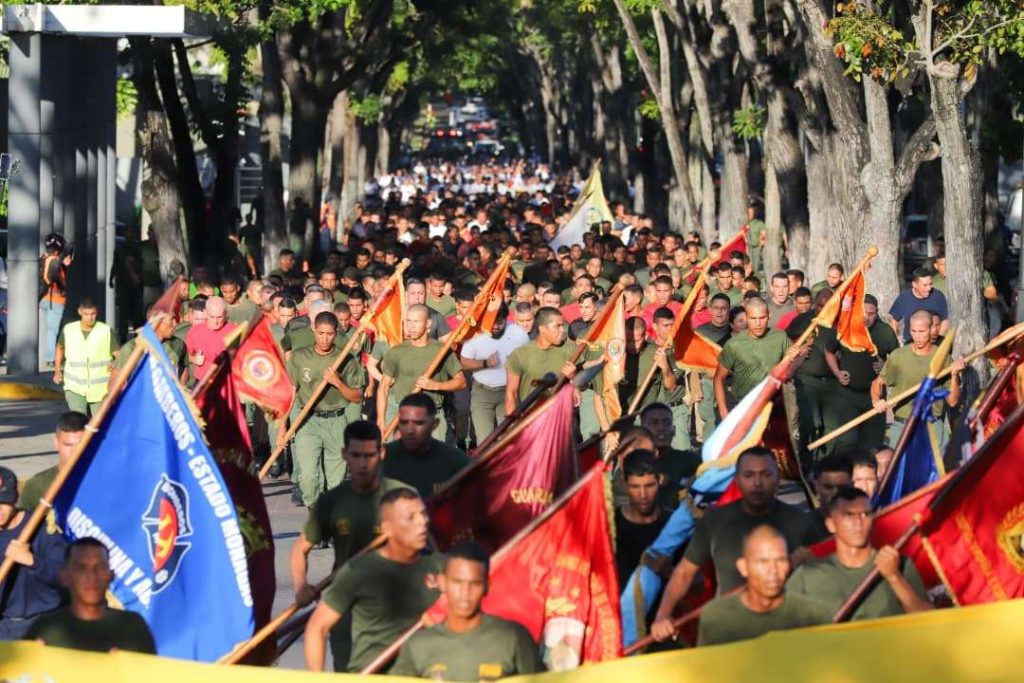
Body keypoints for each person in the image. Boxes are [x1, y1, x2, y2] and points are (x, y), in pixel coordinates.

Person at [650, 447, 823, 641]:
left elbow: (823, 575)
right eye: (749, 475)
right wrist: (662, 617)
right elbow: (684, 573)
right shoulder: (715, 520)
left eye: (765, 474)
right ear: (737, 480)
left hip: (785, 632)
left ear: (777, 477)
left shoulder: (800, 521)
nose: (757, 483)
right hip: (729, 631)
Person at [290, 421, 413, 671]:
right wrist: (301, 586)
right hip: (346, 608)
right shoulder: (332, 501)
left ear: (382, 453)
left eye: (369, 455)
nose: (362, 463)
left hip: (396, 607)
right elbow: (300, 549)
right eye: (355, 455)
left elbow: (428, 552)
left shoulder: (404, 497)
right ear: (345, 454)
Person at [304, 488, 442, 673]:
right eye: (410, 517)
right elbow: (317, 627)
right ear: (387, 528)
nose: (422, 522)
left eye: (423, 514)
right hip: (370, 672)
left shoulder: (444, 569)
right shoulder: (358, 571)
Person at [392, 542, 544, 680]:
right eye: (457, 582)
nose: (465, 592)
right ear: (442, 583)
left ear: (487, 587)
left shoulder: (513, 638)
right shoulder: (418, 645)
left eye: (475, 584)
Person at [787, 486, 931, 619]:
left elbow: (929, 621)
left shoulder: (899, 565)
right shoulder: (808, 574)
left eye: (865, 514)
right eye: (849, 515)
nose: (858, 522)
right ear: (830, 524)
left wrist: (894, 577)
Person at [695, 525, 830, 646]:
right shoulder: (717, 618)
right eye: (763, 562)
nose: (773, 570)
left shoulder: (813, 615)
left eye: (780, 560)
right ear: (743, 567)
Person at [283, 312, 366, 506]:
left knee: (335, 482)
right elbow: (290, 394)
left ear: (336, 333)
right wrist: (282, 429)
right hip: (307, 421)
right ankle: (315, 514)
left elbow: (356, 396)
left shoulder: (345, 358)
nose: (325, 338)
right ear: (313, 330)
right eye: (320, 333)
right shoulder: (299, 356)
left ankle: (329, 524)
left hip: (336, 421)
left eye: (329, 334)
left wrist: (338, 382)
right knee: (309, 479)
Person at [25, 538, 156, 653]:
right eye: (81, 568)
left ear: (111, 576)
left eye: (100, 568)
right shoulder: (45, 629)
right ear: (65, 576)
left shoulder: (132, 627)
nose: (91, 577)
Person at [872, 309, 964, 447]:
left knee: (943, 467)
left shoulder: (943, 358)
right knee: (892, 466)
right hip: (902, 426)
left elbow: (952, 401)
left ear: (932, 329)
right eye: (913, 331)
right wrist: (876, 400)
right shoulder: (899, 356)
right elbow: (878, 383)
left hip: (932, 427)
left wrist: (955, 374)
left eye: (921, 331)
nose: (917, 336)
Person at [822, 294, 900, 453]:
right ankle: (847, 474)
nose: (866, 317)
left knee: (872, 444)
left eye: (871, 314)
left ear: (877, 313)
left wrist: (885, 365)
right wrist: (837, 372)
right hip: (848, 394)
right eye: (863, 312)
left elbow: (898, 360)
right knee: (847, 442)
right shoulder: (844, 327)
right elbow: (828, 351)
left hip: (875, 397)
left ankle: (871, 476)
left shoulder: (885, 332)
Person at [378, 304, 467, 441]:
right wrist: (381, 420)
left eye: (416, 322)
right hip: (403, 416)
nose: (411, 326)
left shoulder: (441, 351)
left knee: (433, 461)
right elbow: (383, 387)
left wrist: (435, 385)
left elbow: (461, 382)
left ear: (428, 324)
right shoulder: (396, 351)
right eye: (408, 321)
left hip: (432, 416)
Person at [0, 466, 67, 639]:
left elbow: (64, 576)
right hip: (7, 628)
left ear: (15, 498)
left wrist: (31, 561)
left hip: (47, 623)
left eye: (3, 503)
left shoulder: (40, 528)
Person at [460, 305, 529, 442]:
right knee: (484, 441)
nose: (495, 327)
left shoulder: (518, 334)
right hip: (482, 393)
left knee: (508, 439)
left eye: (500, 323)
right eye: (492, 323)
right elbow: (464, 362)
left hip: (508, 392)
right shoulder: (475, 334)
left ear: (506, 319)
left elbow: (527, 360)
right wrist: (485, 363)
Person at [714, 298, 791, 418]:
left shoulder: (780, 337)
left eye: (762, 318)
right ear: (746, 317)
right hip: (742, 406)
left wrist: (798, 356)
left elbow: (790, 370)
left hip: (773, 407)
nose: (758, 323)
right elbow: (719, 378)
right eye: (753, 318)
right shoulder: (734, 344)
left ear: (769, 315)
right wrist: (723, 412)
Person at [383, 395, 471, 499]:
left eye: (418, 423)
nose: (410, 430)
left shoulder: (455, 461)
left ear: (435, 424)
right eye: (404, 422)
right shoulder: (383, 459)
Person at [504, 307, 576, 416]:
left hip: (562, 418)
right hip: (532, 419)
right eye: (558, 326)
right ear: (542, 329)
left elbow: (584, 384)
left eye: (562, 326)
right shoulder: (520, 354)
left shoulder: (570, 350)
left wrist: (574, 377)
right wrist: (512, 425)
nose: (563, 330)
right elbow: (511, 394)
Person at [614, 451, 671, 583]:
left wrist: (671, 573)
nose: (643, 495)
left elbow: (698, 583)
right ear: (624, 484)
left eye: (649, 486)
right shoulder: (610, 527)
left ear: (660, 480)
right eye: (635, 487)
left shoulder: (675, 525)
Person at [52, 298, 116, 416]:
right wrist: (57, 370)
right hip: (74, 386)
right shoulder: (69, 329)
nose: (90, 317)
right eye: (86, 314)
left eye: (93, 314)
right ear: (80, 312)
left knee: (98, 424)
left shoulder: (105, 330)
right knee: (79, 420)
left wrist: (116, 364)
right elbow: (59, 348)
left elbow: (119, 354)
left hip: (100, 390)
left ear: (97, 312)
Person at [18, 412, 87, 513]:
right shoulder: (37, 485)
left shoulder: (102, 482)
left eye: (80, 446)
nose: (74, 452)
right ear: (56, 443)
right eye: (68, 445)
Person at [638, 403, 701, 509]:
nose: (661, 428)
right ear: (642, 430)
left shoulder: (690, 462)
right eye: (654, 423)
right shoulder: (634, 465)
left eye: (666, 423)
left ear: (674, 430)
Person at [111, 310, 187, 387]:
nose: (175, 324)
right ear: (157, 322)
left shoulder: (178, 344)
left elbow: (184, 370)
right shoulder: (131, 348)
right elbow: (113, 383)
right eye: (171, 319)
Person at [184, 296, 238, 384]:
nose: (216, 321)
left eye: (219, 317)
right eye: (212, 317)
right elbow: (185, 354)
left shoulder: (234, 330)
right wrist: (194, 359)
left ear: (225, 314)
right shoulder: (195, 331)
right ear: (206, 313)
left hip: (226, 381)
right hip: (202, 382)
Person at [888, 268, 949, 343]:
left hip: (932, 345)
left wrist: (939, 341)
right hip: (909, 344)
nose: (929, 288)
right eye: (925, 285)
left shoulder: (938, 296)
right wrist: (895, 342)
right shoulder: (903, 298)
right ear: (914, 284)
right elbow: (894, 322)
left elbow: (945, 320)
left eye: (930, 284)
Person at [40, 233, 70, 366]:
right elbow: (50, 278)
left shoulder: (44, 258)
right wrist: (62, 286)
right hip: (55, 300)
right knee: (52, 330)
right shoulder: (54, 260)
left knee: (46, 329)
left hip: (43, 298)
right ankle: (50, 358)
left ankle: (47, 356)